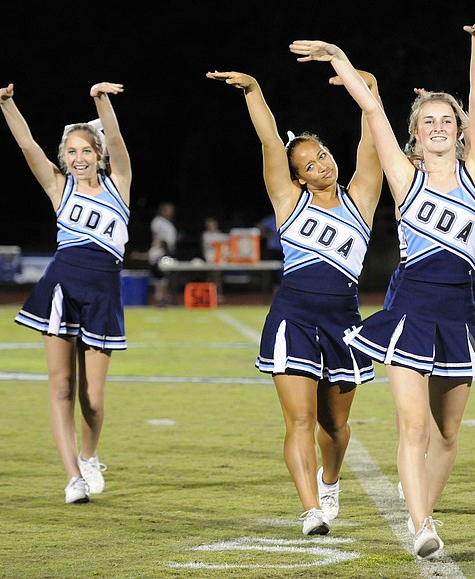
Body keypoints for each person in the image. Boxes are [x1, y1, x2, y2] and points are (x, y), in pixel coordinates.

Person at [290, 12, 475, 559]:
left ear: (458, 130)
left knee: (447, 434)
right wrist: (339, 55)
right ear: (416, 132)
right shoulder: (404, 177)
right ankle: (421, 526)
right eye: (428, 121)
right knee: (412, 428)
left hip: (459, 315)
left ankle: (424, 511)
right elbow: (371, 108)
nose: (438, 126)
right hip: (409, 312)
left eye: (446, 120)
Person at [206, 67, 383, 535]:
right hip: (293, 319)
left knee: (336, 426)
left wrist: (370, 89)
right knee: (300, 420)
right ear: (298, 179)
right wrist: (254, 89)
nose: (322, 164)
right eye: (309, 164)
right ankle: (311, 510)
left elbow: (372, 141)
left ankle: (330, 480)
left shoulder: (361, 199)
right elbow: (269, 144)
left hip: (344, 323)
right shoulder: (290, 203)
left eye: (323, 155)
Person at [0, 82, 131, 504]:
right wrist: (8, 105)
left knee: (94, 398)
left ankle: (89, 455)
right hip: (61, 289)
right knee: (61, 387)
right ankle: (73, 478)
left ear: (99, 156)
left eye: (86, 151)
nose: (78, 158)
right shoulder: (58, 187)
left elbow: (117, 139)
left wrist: (99, 100)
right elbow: (28, 146)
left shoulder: (119, 185)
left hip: (103, 293)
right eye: (71, 152)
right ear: (63, 158)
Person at [150, 201, 177, 306]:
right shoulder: (158, 221)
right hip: (159, 253)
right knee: (161, 278)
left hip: (167, 253)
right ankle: (160, 299)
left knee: (165, 278)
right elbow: (157, 238)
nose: (170, 213)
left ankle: (164, 299)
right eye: (167, 210)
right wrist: (163, 248)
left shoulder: (168, 223)